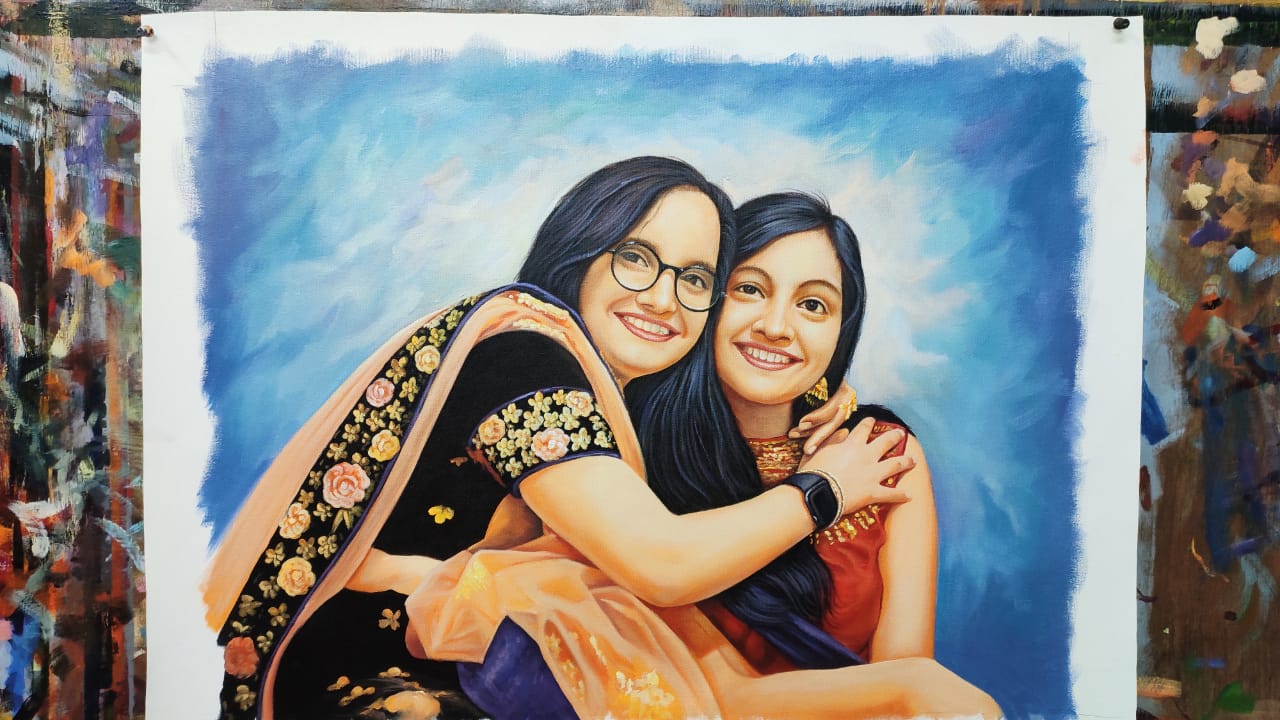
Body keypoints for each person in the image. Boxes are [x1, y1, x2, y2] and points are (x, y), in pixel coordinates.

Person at [202, 157, 915, 720]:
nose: (663, 298)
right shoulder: (524, 352)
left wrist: (821, 397)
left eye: (696, 279)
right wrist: (824, 490)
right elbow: (661, 563)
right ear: (580, 251)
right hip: (357, 687)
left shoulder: (615, 417)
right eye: (636, 257)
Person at [631, 192, 943, 677]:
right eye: (749, 289)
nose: (776, 327)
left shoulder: (880, 452)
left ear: (842, 332)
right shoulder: (630, 448)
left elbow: (910, 678)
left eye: (813, 305)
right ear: (705, 296)